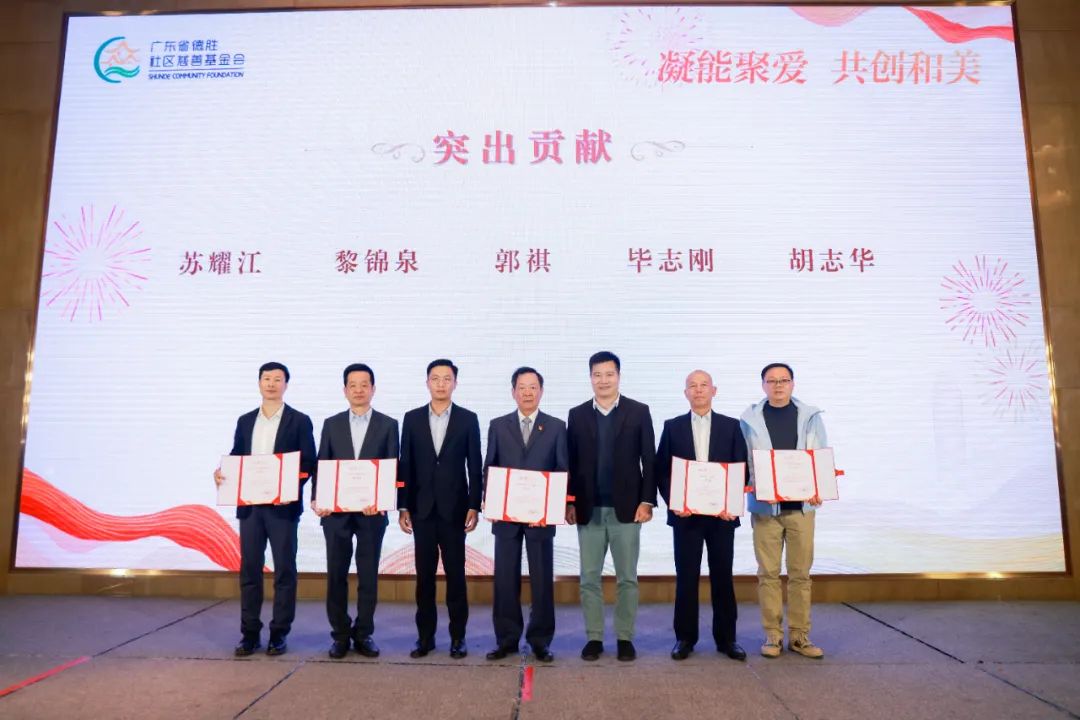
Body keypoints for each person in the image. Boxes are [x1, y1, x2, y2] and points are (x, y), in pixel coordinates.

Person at [214, 361, 315, 657]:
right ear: (259, 383)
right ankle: (249, 634)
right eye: (266, 378)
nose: (271, 384)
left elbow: (308, 462)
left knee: (284, 570)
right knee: (249, 570)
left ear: (286, 385)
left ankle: (279, 634)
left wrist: (289, 488)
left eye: (277, 379)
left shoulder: (299, 420)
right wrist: (222, 472)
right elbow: (237, 456)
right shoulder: (245, 420)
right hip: (250, 508)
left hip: (282, 508)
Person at [566, 351, 656, 662]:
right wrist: (569, 502)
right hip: (588, 509)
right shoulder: (577, 414)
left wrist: (647, 501)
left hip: (628, 510)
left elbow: (649, 460)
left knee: (627, 578)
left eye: (609, 374)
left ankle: (624, 637)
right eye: (597, 375)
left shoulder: (639, 411)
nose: (603, 380)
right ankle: (594, 637)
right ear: (590, 377)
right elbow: (570, 463)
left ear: (618, 376)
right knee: (589, 578)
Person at [655, 370, 747, 662]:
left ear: (714, 390)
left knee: (723, 577)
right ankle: (685, 638)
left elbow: (741, 467)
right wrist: (674, 501)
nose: (698, 390)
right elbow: (661, 470)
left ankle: (727, 639)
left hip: (722, 517)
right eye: (692, 386)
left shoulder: (732, 426)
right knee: (686, 578)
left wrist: (732, 503)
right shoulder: (673, 427)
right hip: (686, 516)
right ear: (685, 393)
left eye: (703, 385)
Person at [312, 363, 399, 659]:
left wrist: (383, 500)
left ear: (373, 389)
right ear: (345, 390)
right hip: (335, 514)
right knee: (336, 574)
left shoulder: (388, 425)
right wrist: (318, 498)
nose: (359, 390)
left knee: (368, 575)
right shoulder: (331, 424)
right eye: (353, 385)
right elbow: (322, 463)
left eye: (364, 385)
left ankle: (364, 633)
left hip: (371, 514)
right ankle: (340, 635)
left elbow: (392, 467)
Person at [741, 362, 828, 659]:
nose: (778, 385)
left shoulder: (811, 417)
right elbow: (744, 462)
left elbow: (820, 455)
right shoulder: (749, 419)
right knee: (768, 574)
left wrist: (820, 486)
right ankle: (773, 636)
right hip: (765, 509)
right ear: (763, 385)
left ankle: (800, 636)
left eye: (783, 380)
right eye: (772, 381)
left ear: (792, 383)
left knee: (800, 574)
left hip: (802, 509)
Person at [398, 359, 482, 659]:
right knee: (424, 578)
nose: (441, 384)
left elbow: (475, 464)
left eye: (447, 379)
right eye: (436, 378)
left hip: (454, 510)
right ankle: (425, 637)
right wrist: (403, 506)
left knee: (456, 576)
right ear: (427, 383)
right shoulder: (411, 419)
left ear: (455, 383)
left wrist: (474, 505)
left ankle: (458, 637)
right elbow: (405, 464)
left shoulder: (468, 419)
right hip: (421, 510)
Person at [483, 367, 567, 663]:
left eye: (533, 387)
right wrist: (491, 503)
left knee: (542, 579)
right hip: (506, 517)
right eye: (522, 387)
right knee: (505, 579)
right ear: (513, 392)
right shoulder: (498, 425)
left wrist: (550, 509)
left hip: (540, 519)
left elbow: (561, 470)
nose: (528, 392)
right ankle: (506, 639)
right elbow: (490, 467)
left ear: (541, 392)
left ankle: (540, 640)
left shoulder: (556, 427)